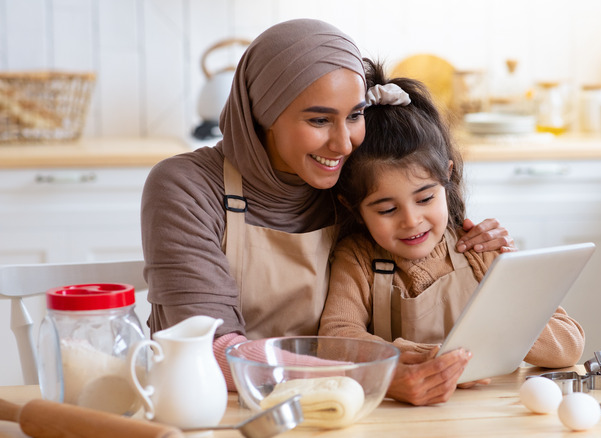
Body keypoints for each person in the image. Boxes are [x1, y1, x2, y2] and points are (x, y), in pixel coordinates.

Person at [140, 18, 514, 407]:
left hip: (345, 407)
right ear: (262, 113)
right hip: (212, 407)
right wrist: (369, 377)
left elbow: (415, 254)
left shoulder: (349, 182)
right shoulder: (185, 186)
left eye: (354, 115)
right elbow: (210, 351)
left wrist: (485, 253)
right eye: (319, 120)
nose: (343, 143)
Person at [319, 60, 585, 402]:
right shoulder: (357, 257)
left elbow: (569, 346)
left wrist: (509, 302)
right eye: (387, 209)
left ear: (447, 176)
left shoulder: (480, 249)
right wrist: (417, 355)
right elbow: (337, 339)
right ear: (353, 206)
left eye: (426, 197)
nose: (411, 220)